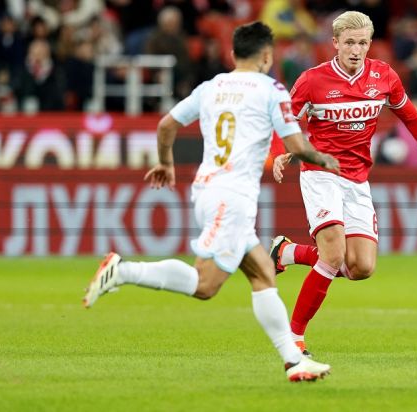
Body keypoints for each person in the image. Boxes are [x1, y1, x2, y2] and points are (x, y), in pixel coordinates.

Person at [82, 22, 340, 382]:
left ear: (233, 54)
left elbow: (166, 126)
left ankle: (294, 361)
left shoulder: (211, 87)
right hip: (231, 198)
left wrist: (166, 163)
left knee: (263, 273)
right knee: (206, 285)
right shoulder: (271, 90)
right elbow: (295, 145)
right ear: (268, 56)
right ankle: (123, 270)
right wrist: (323, 158)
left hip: (208, 190)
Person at [270, 11, 417, 357]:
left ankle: (288, 252)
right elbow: (284, 122)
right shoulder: (312, 81)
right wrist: (282, 152)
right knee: (333, 256)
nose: (356, 50)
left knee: (361, 267)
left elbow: (412, 118)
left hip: (357, 179)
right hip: (320, 172)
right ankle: (293, 337)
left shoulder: (384, 76)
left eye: (362, 43)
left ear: (370, 44)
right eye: (349, 43)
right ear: (335, 43)